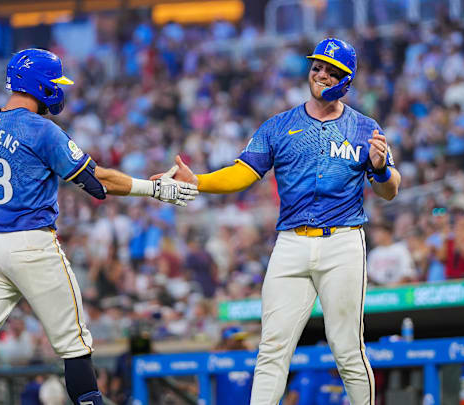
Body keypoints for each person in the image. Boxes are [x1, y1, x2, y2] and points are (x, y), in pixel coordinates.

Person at [0, 48, 198, 405]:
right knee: (74, 346)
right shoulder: (41, 129)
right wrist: (153, 188)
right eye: (55, 81)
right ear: (40, 84)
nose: (59, 88)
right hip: (31, 243)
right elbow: (98, 182)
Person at [156, 38, 400, 404]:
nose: (319, 74)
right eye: (316, 66)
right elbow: (243, 173)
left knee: (347, 347)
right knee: (271, 347)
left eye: (329, 70)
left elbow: (391, 190)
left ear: (345, 80)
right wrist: (199, 182)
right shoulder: (278, 125)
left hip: (343, 240)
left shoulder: (365, 127)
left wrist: (380, 169)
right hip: (292, 242)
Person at [214, 326, 253, 405]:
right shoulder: (218, 358)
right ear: (227, 341)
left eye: (242, 340)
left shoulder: (249, 357)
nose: (241, 342)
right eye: (237, 340)